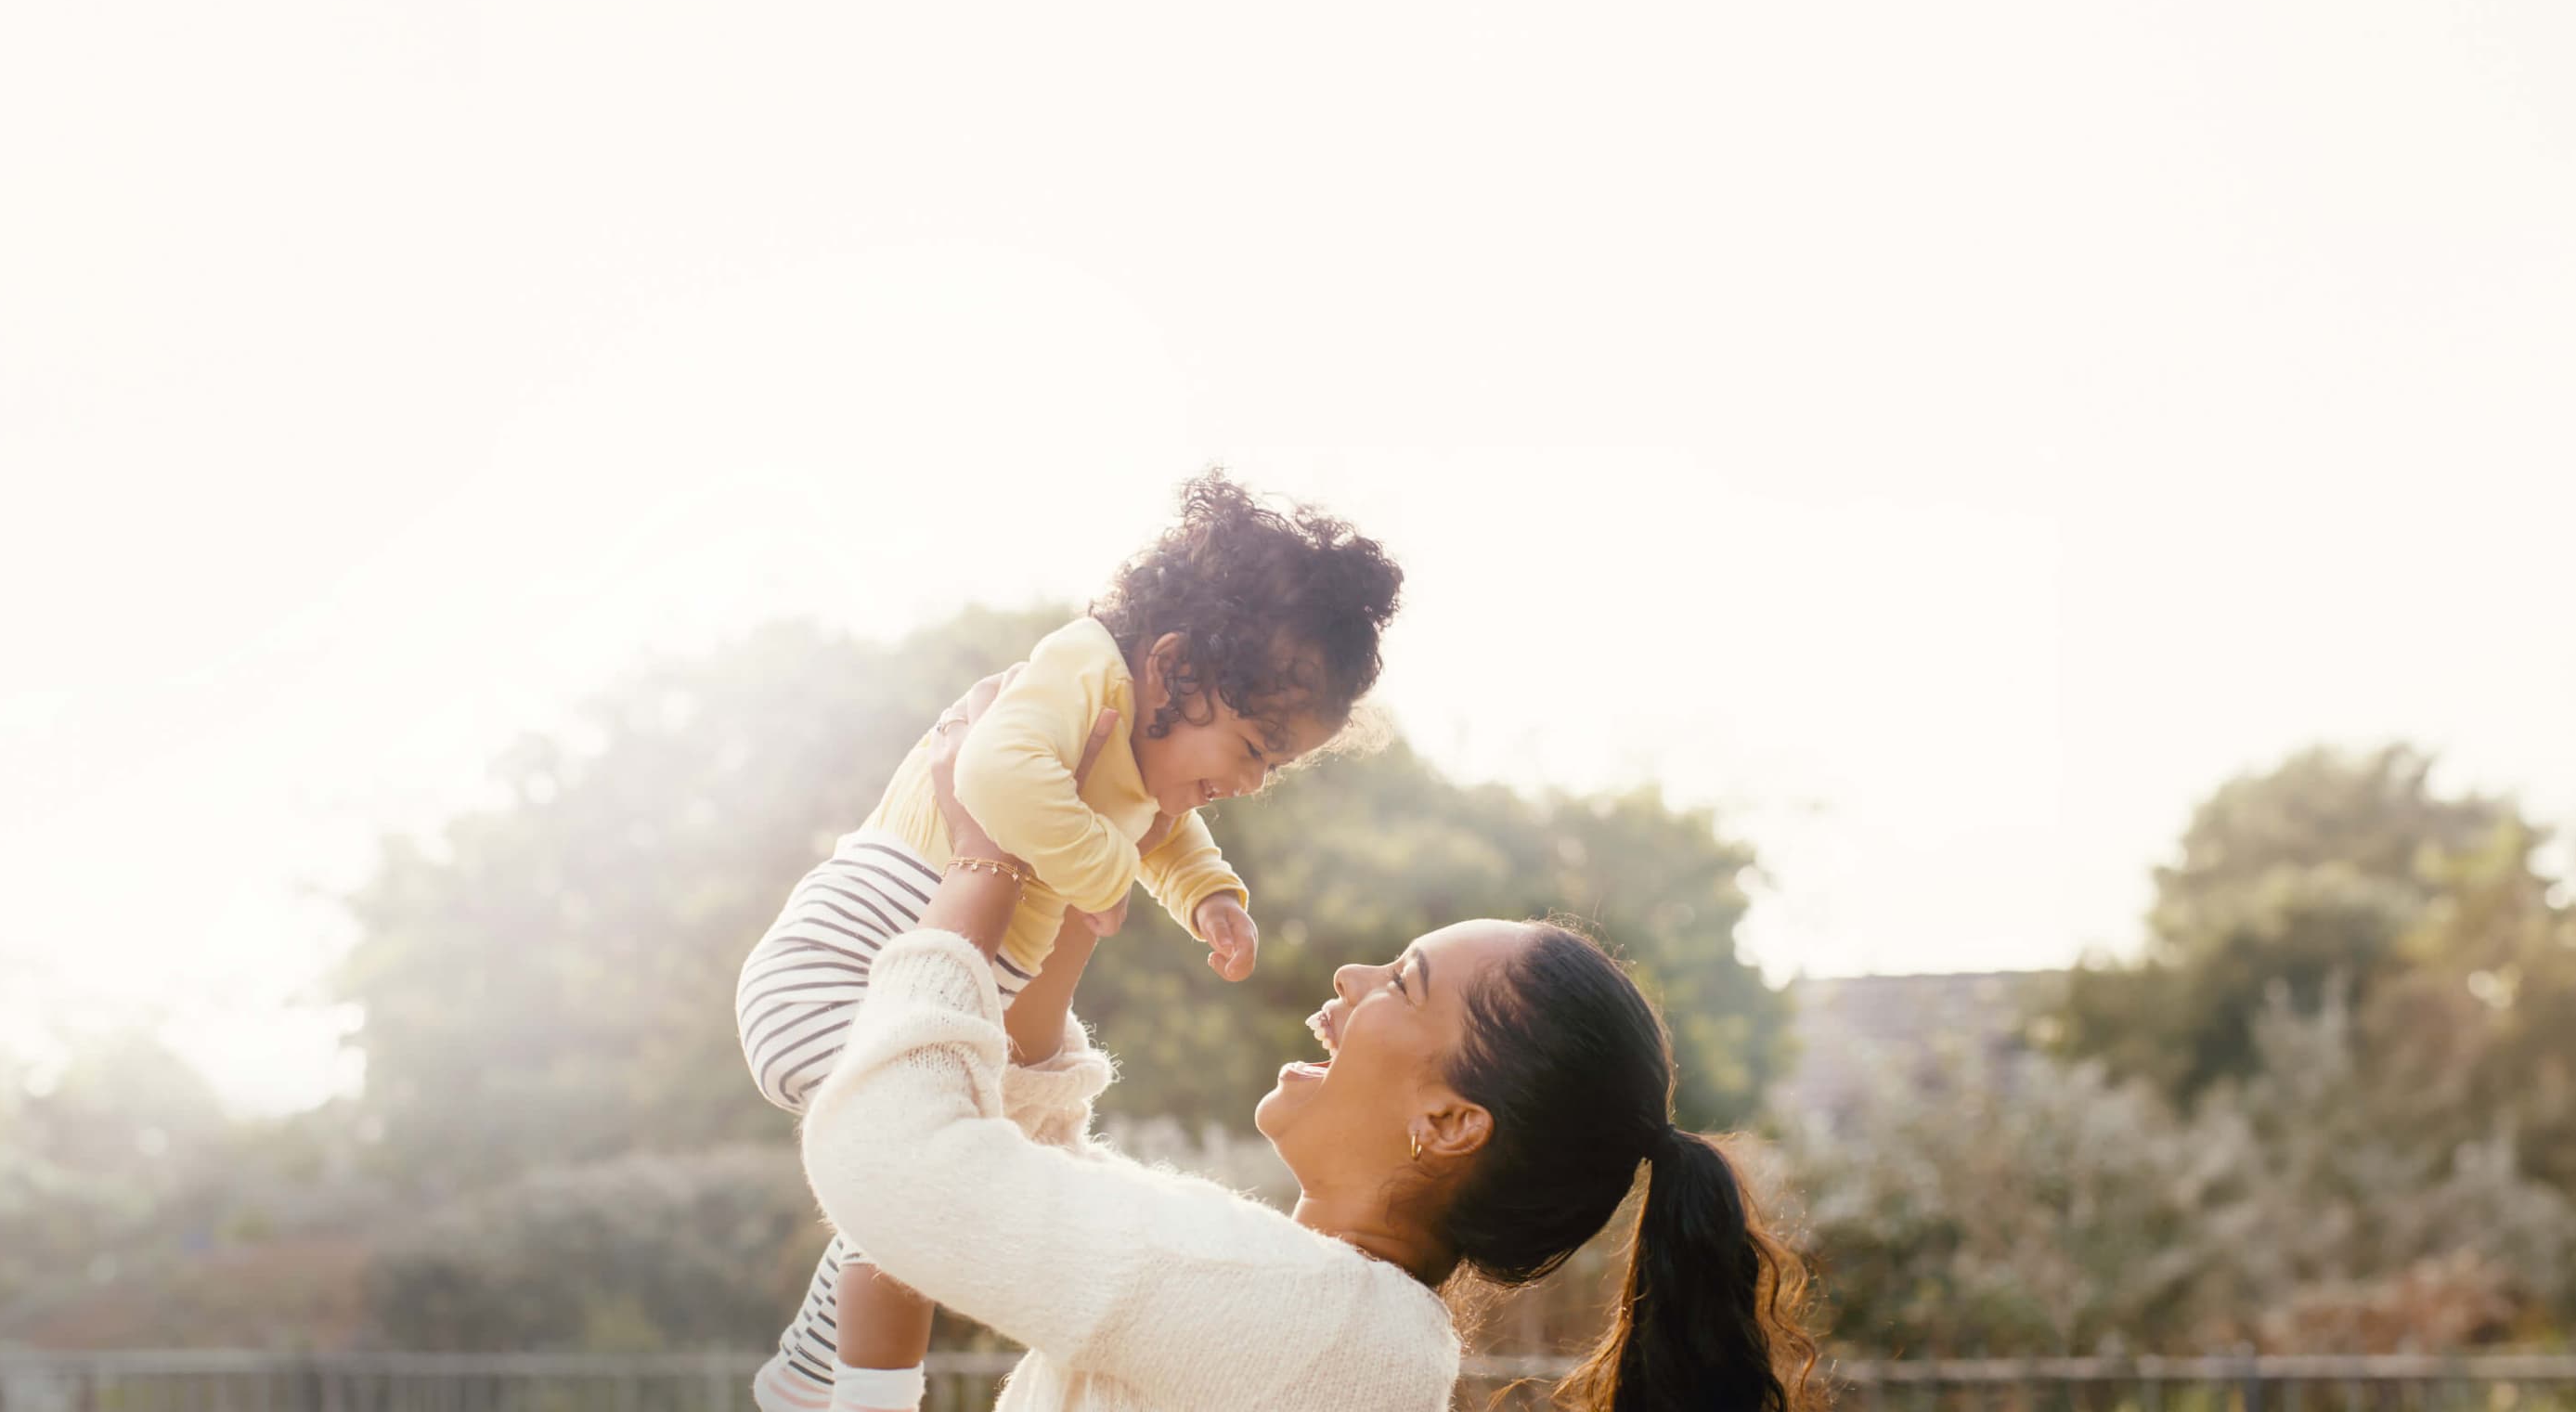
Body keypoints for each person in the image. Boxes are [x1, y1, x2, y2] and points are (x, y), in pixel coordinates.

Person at [792, 673, 1822, 1411]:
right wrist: (1071, 878)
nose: (1353, 976)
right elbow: (1034, 1168)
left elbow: (900, 1163)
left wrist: (980, 865)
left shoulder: (1293, 1314)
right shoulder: (1321, 1311)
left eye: (1403, 981)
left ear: (1451, 1120)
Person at [733, 472, 1405, 1411]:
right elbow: (991, 773)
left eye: (1275, 766)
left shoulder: (1140, 760)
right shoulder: (1080, 670)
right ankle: (852, 1390)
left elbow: (1163, 832)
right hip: (842, 970)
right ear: (1173, 668)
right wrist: (1101, 874)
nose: (1254, 781)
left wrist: (1210, 893)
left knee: (920, 1208)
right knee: (919, 1177)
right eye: (1255, 746)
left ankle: (825, 1375)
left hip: (949, 992)